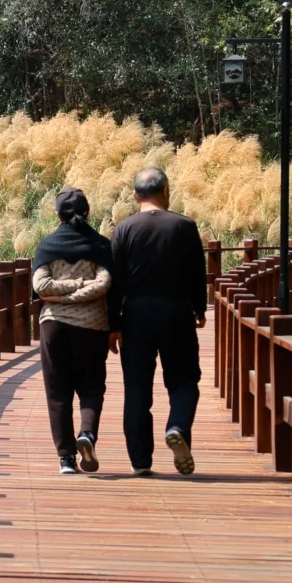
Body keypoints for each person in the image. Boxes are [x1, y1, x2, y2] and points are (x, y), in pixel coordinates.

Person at [107, 166, 207, 476]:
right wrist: (200, 309)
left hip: (135, 314)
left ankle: (140, 462)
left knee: (136, 389)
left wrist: (113, 324)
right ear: (166, 191)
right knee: (184, 381)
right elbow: (197, 273)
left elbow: (114, 282)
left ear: (136, 195)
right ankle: (177, 427)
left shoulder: (122, 230)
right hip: (176, 312)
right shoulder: (185, 226)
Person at [31, 187, 114, 475]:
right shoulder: (101, 245)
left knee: (58, 393)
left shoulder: (48, 245)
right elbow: (105, 284)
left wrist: (62, 296)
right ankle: (87, 435)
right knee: (92, 386)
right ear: (88, 212)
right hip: (92, 326)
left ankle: (66, 459)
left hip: (54, 324)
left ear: (57, 215)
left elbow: (41, 287)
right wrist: (82, 286)